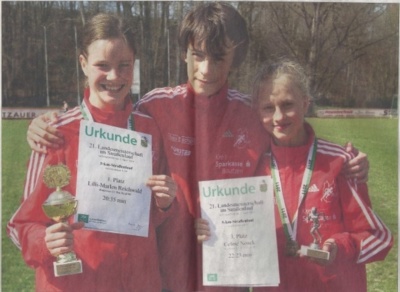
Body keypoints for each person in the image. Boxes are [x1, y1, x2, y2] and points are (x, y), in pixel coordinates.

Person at [25, 3, 369, 291]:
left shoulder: (250, 114)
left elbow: (293, 144)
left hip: (231, 276)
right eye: (198, 55)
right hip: (163, 277)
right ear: (185, 52)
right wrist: (44, 125)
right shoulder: (155, 107)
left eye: (219, 58)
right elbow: (110, 115)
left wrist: (348, 162)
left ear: (236, 58)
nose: (206, 69)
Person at [7, 14, 177, 292]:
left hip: (139, 282)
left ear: (134, 64)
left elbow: (148, 218)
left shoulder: (149, 130)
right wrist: (45, 242)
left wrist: (164, 203)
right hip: (75, 283)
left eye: (124, 65)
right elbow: (20, 225)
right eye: (102, 65)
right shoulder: (56, 132)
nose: (114, 76)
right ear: (83, 64)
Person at [196, 60, 393, 291]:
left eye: (287, 104)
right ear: (257, 112)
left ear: (305, 103)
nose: (279, 117)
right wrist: (210, 228)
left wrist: (340, 247)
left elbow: (379, 238)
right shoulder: (250, 167)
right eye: (268, 108)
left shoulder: (339, 163)